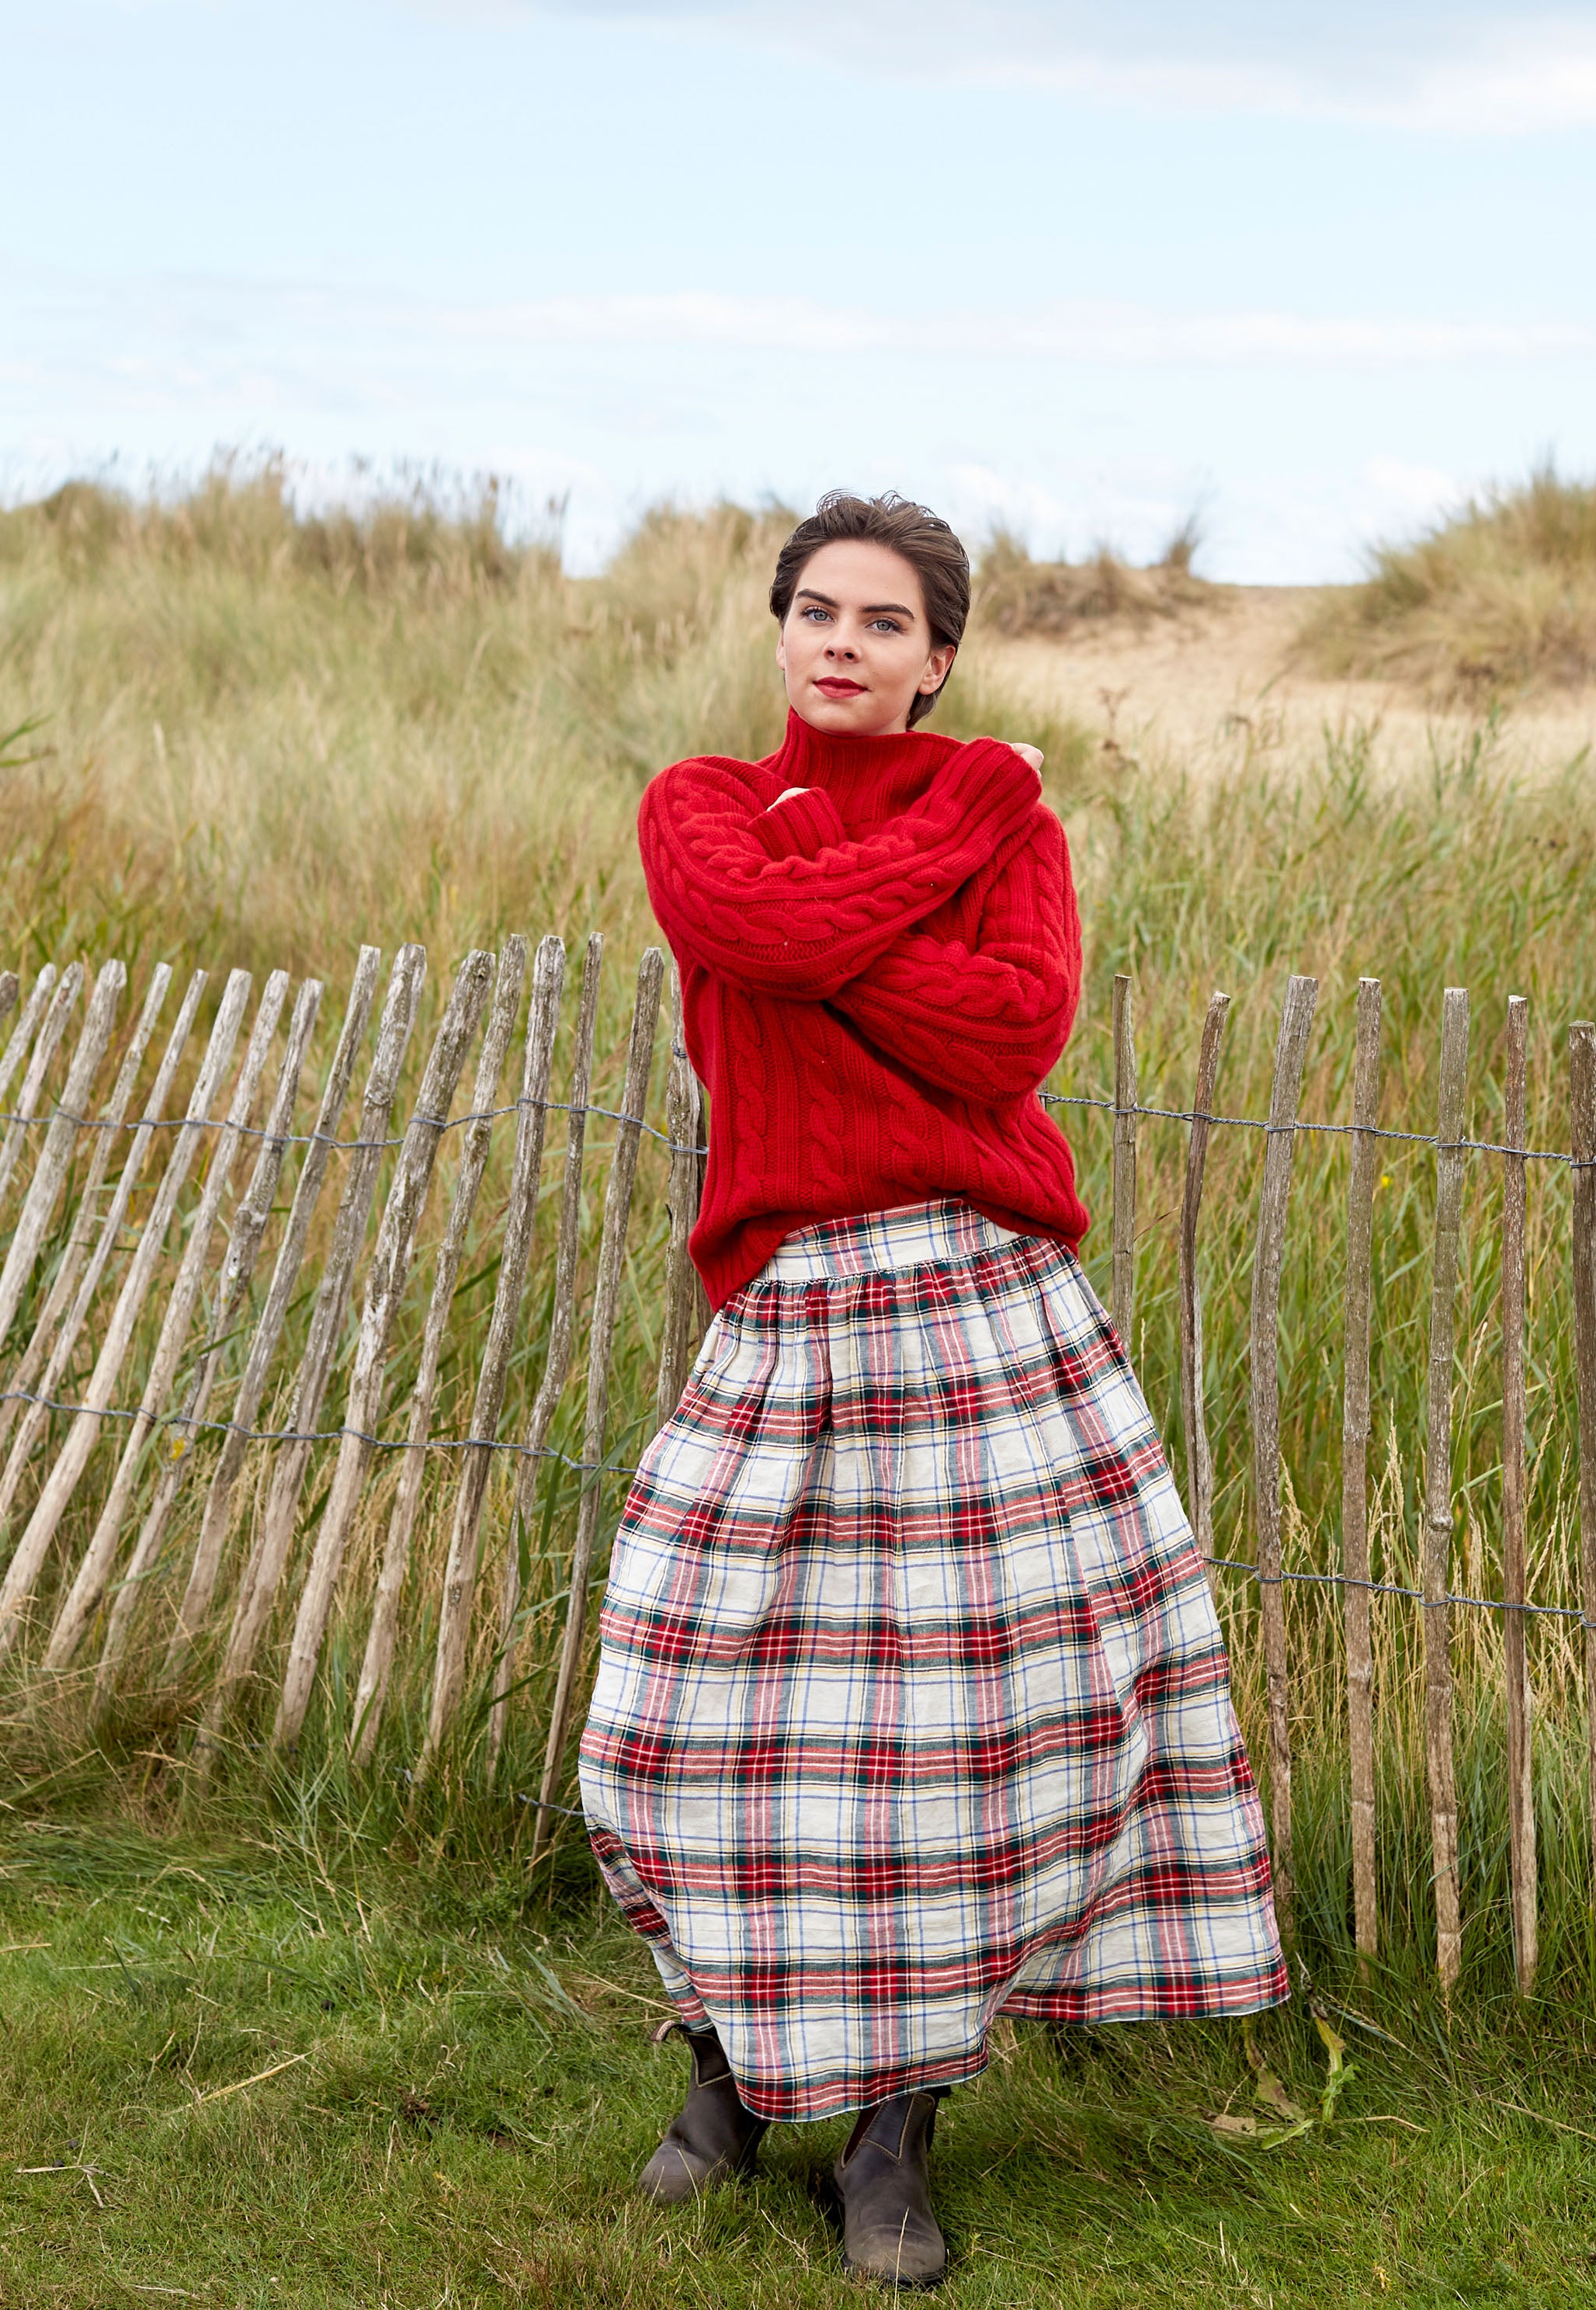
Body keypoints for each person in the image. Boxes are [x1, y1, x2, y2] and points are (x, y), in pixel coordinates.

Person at [580, 491, 1285, 2288]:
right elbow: (748, 935)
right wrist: (950, 828)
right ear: (778, 630)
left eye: (881, 622)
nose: (839, 642)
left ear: (937, 657)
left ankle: (891, 2139)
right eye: (814, 610)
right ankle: (732, 2073)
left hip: (985, 1311)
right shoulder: (702, 807)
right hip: (793, 1313)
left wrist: (849, 910)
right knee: (720, 1718)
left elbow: (1004, 1036)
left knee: (969, 1742)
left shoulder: (1005, 826)